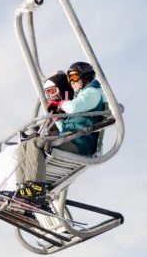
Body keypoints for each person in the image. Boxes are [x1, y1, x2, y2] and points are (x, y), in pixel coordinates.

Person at [10, 61, 106, 209]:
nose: (71, 82)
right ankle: (24, 189)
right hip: (70, 138)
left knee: (36, 143)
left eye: (74, 77)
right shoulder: (80, 95)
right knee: (24, 145)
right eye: (69, 78)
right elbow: (66, 122)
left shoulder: (92, 92)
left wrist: (59, 104)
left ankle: (36, 189)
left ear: (84, 76)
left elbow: (74, 107)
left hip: (80, 142)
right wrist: (57, 117)